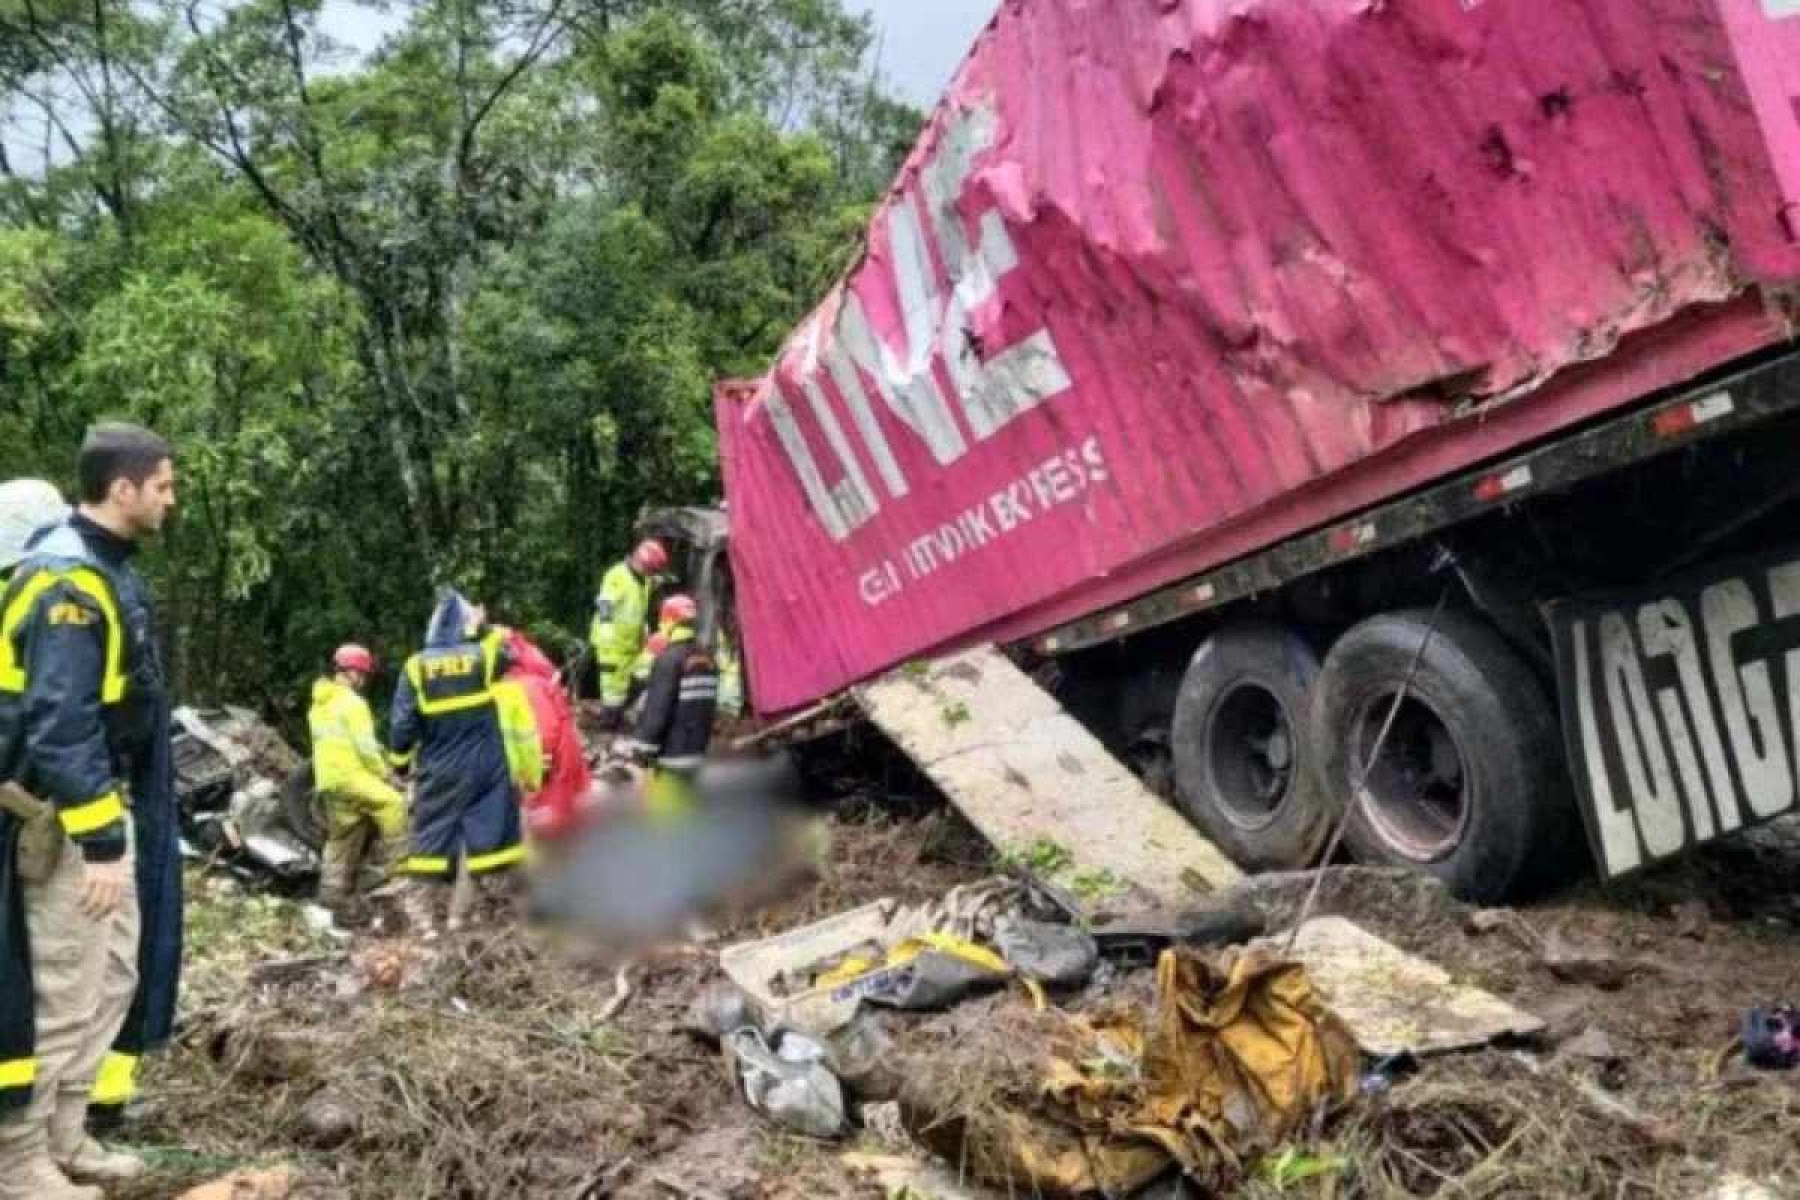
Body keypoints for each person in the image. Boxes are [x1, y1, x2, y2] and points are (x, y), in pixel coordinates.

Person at [0, 424, 182, 1199]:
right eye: (165, 485)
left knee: (111, 973)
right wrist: (103, 839)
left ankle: (68, 1132)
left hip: (108, 805)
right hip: (66, 820)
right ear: (123, 489)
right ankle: (18, 1159)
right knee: (63, 982)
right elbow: (59, 719)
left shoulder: (109, 570)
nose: (173, 499)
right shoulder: (67, 582)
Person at [387, 591, 523, 935]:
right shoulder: (483, 654)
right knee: (478, 838)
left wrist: (400, 764)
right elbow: (511, 653)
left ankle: (424, 923)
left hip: (440, 765)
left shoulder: (416, 667)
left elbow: (402, 724)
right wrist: (484, 626)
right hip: (486, 766)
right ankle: (458, 918)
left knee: (430, 836)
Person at [307, 645, 407, 917]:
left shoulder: (319, 704)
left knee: (343, 836)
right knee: (395, 805)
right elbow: (365, 748)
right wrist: (387, 775)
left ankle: (330, 897)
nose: (363, 680)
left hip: (329, 780)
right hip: (352, 775)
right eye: (362, 674)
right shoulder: (353, 704)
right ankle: (402, 875)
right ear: (351, 673)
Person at [628, 595, 718, 816]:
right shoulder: (707, 658)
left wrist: (641, 749)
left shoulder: (669, 659)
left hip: (671, 756)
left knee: (664, 821)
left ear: (668, 621)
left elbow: (657, 711)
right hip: (697, 751)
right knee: (688, 814)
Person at [502, 630, 592, 843]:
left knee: (552, 829)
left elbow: (544, 730)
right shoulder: (530, 677)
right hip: (560, 762)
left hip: (550, 768)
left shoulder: (524, 685)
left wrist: (539, 762)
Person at [589, 540, 668, 729]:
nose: (651, 574)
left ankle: (619, 716)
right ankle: (609, 723)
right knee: (613, 692)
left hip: (631, 644)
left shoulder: (644, 581)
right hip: (612, 644)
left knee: (640, 677)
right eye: (650, 569)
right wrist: (606, 625)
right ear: (641, 563)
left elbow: (638, 604)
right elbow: (605, 602)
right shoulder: (618, 575)